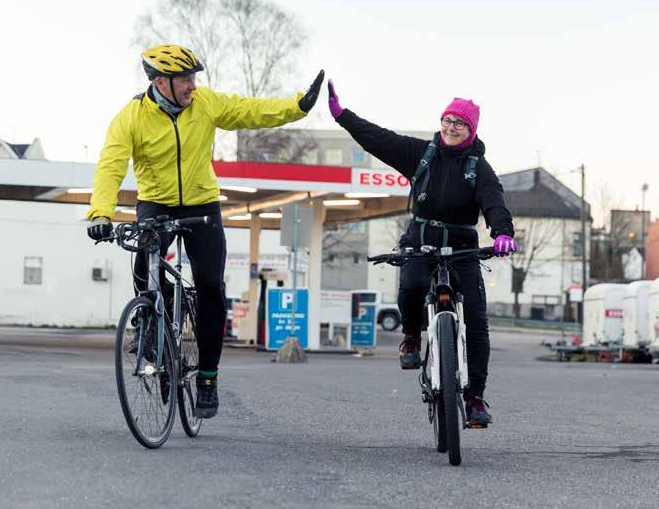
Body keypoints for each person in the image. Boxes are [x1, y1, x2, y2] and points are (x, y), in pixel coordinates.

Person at [87, 43, 324, 418]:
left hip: (201, 204)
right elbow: (110, 165)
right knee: (143, 263)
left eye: (194, 77)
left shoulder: (205, 104)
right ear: (161, 81)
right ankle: (151, 320)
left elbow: (250, 110)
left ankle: (208, 377)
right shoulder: (131, 116)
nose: (193, 85)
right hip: (157, 202)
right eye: (185, 79)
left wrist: (298, 106)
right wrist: (100, 212)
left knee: (211, 285)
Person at [327, 80, 516, 426]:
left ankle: (475, 398)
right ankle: (411, 337)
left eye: (460, 123)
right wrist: (343, 116)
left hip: (462, 249)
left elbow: (494, 202)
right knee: (412, 284)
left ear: (471, 131)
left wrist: (503, 233)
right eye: (447, 120)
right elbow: (379, 138)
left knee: (476, 320)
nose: (451, 127)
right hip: (422, 239)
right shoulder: (422, 155)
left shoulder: (479, 168)